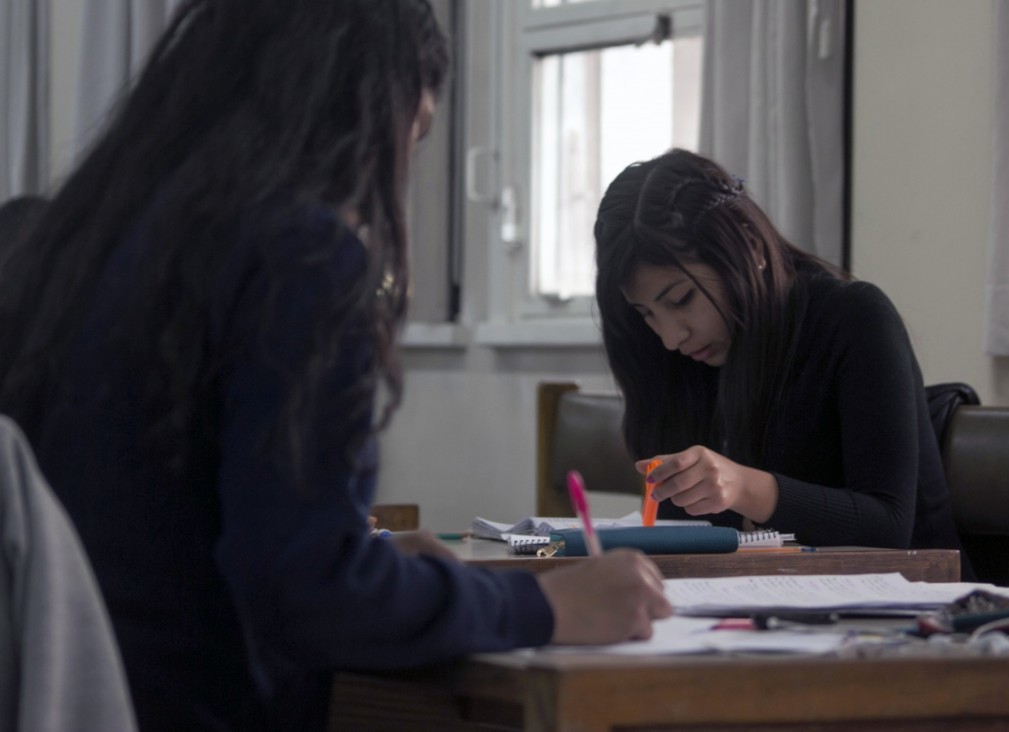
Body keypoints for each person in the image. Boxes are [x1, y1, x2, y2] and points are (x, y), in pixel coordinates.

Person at [0, 1, 670, 729]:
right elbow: (307, 593)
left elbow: (176, 522)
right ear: (369, 114)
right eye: (411, 140)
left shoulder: (85, 238)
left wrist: (366, 555)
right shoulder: (301, 255)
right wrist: (547, 605)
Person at [593, 148, 973, 579]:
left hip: (914, 607)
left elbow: (888, 527)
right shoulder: (678, 359)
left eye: (681, 300)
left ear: (748, 243)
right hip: (763, 604)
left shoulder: (853, 319)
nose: (670, 337)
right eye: (646, 315)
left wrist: (743, 488)